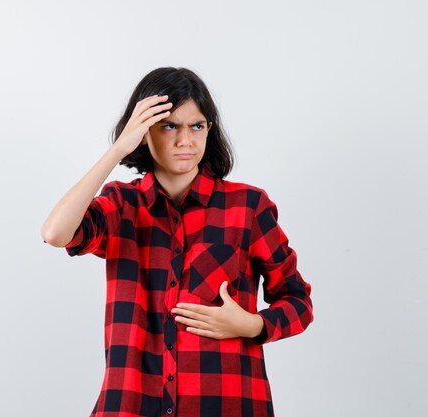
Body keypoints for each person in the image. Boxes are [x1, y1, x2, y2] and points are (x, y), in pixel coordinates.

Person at [41, 67, 314, 417]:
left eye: (196, 126)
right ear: (143, 132)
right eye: (169, 126)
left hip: (226, 404)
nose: (185, 140)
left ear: (209, 131)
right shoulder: (122, 206)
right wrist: (118, 148)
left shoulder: (248, 207)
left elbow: (298, 302)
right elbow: (55, 233)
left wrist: (252, 325)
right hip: (131, 404)